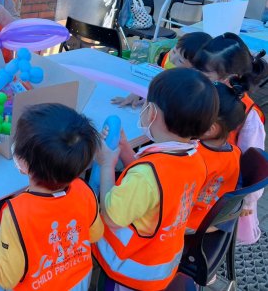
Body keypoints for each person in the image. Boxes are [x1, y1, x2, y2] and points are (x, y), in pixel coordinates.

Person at [93, 68, 218, 291]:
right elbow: (156, 191)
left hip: (130, 267)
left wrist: (106, 165)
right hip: (161, 261)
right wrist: (124, 151)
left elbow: (112, 215)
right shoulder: (194, 158)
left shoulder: (147, 175)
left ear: (151, 113)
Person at [0, 103, 103, 291]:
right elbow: (95, 233)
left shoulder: (17, 213)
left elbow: (6, 277)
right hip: (77, 283)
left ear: (25, 163)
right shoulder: (84, 191)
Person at [192, 32, 268, 245]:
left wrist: (246, 201)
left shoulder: (249, 115)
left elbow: (250, 168)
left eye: (203, 73)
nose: (195, 76)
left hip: (214, 193)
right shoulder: (204, 94)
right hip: (195, 174)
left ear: (230, 78)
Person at [186, 82, 245, 232]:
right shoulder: (236, 153)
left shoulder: (193, 154)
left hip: (187, 223)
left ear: (210, 129)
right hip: (212, 219)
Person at [112, 32, 212, 108]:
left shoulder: (194, 87)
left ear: (195, 70)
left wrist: (151, 99)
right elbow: (157, 81)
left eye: (180, 61)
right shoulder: (165, 57)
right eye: (173, 51)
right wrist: (138, 93)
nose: (172, 59)